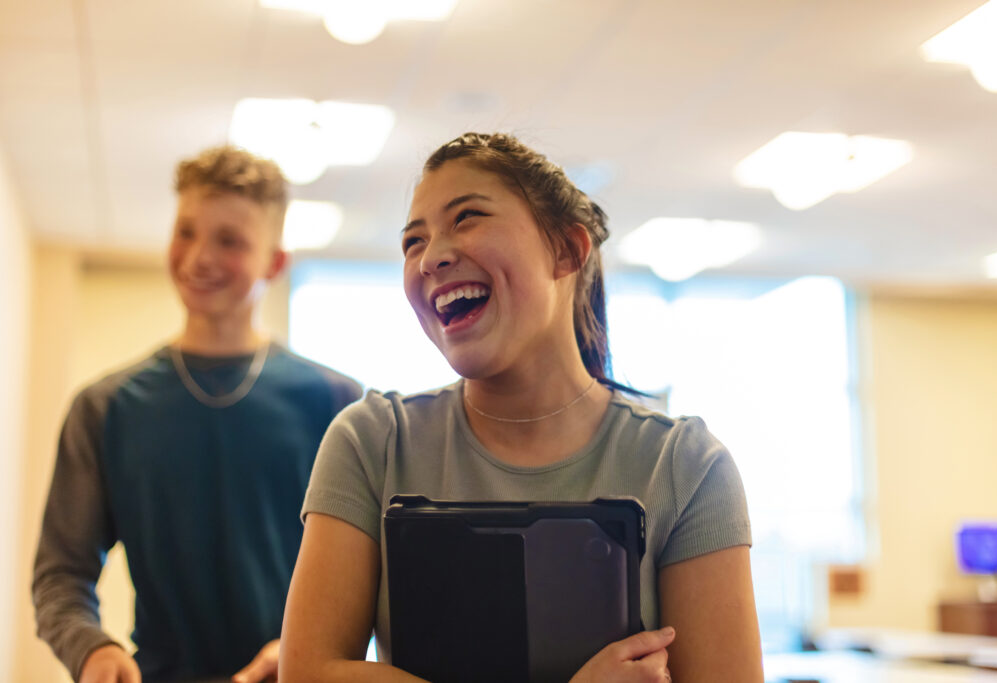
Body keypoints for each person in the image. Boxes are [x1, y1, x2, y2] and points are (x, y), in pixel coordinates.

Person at [278, 132, 764, 682]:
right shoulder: (373, 442)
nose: (431, 257)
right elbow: (308, 674)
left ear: (567, 250)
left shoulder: (686, 466)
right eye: (413, 241)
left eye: (467, 218)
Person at [32, 145, 363, 683]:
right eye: (186, 232)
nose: (199, 257)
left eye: (229, 240)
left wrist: (304, 649)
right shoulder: (105, 407)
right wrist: (92, 650)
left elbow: (374, 574)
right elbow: (60, 575)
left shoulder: (338, 405)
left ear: (274, 262)